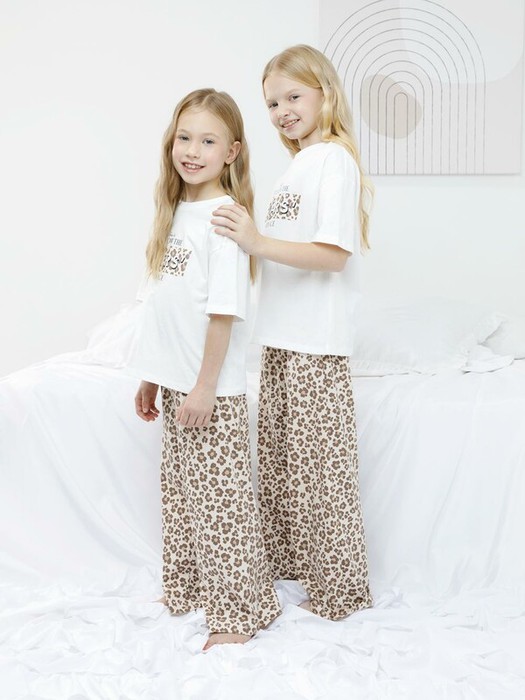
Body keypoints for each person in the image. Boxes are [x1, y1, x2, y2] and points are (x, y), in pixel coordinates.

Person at [211, 45, 373, 620]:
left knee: (320, 474)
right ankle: (297, 571)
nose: (282, 111)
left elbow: (332, 255)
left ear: (325, 93)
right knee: (284, 467)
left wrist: (255, 241)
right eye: (272, 103)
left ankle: (341, 591)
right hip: (280, 339)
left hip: (315, 343)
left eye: (293, 96)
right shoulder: (299, 165)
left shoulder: (334, 161)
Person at [128, 88, 281, 651]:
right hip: (177, 384)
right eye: (185, 138)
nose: (192, 151)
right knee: (184, 498)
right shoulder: (175, 213)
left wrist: (205, 387)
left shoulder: (223, 218)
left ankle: (238, 613)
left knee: (222, 506)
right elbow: (166, 309)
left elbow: (223, 313)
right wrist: (152, 376)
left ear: (232, 151)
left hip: (208, 389)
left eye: (208, 141)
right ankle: (190, 589)